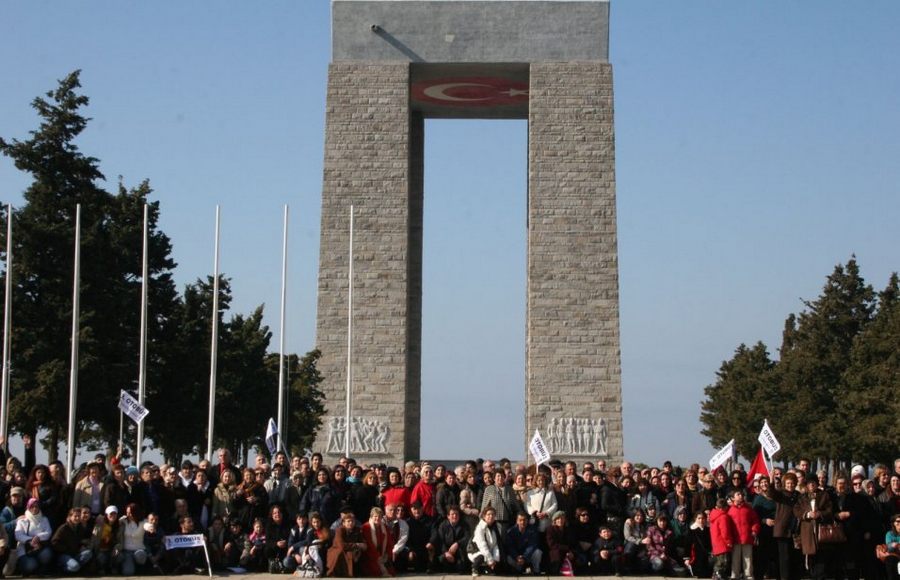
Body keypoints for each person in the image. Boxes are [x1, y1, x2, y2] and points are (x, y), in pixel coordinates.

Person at [794, 477, 832, 580]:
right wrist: (807, 514)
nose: (811, 485)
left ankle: (820, 576)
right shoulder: (802, 497)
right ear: (806, 485)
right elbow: (796, 510)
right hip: (807, 530)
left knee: (821, 555)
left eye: (813, 483)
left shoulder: (824, 495)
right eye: (809, 483)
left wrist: (820, 514)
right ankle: (812, 575)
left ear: (816, 484)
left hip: (821, 530)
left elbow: (829, 509)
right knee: (810, 555)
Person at [15, 498, 53, 576]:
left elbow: (48, 532)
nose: (35, 508)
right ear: (28, 507)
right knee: (30, 565)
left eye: (37, 506)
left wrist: (38, 537)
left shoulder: (44, 519)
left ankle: (41, 569)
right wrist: (30, 540)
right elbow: (18, 535)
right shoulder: (22, 520)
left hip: (40, 546)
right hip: (25, 549)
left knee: (47, 554)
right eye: (32, 506)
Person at [728, 489, 760, 580]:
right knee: (735, 559)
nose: (741, 496)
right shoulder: (730, 510)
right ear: (733, 498)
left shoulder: (748, 509)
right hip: (735, 539)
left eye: (741, 494)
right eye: (738, 494)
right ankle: (735, 575)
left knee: (748, 559)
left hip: (747, 537)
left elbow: (755, 521)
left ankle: (748, 576)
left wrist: (754, 530)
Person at [427, 505, 468, 574]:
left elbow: (467, 537)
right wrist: (446, 553)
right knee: (442, 561)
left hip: (458, 552)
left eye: (456, 514)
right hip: (446, 552)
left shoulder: (464, 525)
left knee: (461, 566)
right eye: (452, 514)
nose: (455, 516)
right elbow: (440, 541)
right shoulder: (443, 526)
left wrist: (457, 544)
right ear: (448, 516)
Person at [51, 507, 92, 574]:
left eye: (79, 516)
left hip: (74, 554)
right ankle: (62, 569)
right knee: (75, 566)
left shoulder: (79, 528)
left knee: (88, 553)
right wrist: (65, 548)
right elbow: (54, 542)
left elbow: (80, 541)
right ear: (70, 517)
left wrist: (82, 545)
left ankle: (75, 568)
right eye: (75, 516)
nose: (77, 518)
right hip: (64, 555)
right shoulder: (63, 528)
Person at [326, 511, 365, 577]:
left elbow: (363, 544)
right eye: (348, 521)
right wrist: (357, 545)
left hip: (352, 550)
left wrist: (362, 545)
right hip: (337, 550)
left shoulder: (357, 530)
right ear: (344, 523)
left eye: (352, 521)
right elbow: (341, 546)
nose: (351, 523)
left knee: (356, 553)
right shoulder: (339, 530)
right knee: (341, 552)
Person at [361, 506, 394, 577]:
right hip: (370, 554)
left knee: (391, 571)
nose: (377, 518)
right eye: (375, 516)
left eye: (379, 516)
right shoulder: (366, 527)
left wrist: (387, 555)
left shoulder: (384, 527)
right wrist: (377, 557)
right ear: (371, 516)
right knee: (376, 571)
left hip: (381, 553)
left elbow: (389, 542)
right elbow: (369, 545)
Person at [469, 506, 501, 577]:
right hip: (477, 551)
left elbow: (495, 545)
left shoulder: (496, 527)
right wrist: (490, 560)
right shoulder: (480, 528)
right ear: (484, 516)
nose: (491, 516)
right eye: (488, 514)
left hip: (489, 551)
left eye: (493, 514)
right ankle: (475, 568)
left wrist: (495, 559)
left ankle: (486, 569)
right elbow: (482, 545)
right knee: (481, 556)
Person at [117, 502, 147, 575]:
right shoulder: (124, 521)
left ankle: (140, 567)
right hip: (127, 551)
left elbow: (147, 525)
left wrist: (150, 527)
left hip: (139, 550)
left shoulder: (143, 522)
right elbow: (114, 522)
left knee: (140, 555)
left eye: (130, 513)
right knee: (128, 572)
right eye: (127, 512)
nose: (128, 515)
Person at [709, 498, 735, 580]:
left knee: (719, 560)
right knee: (723, 561)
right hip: (722, 543)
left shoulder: (713, 515)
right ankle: (718, 574)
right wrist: (728, 541)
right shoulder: (723, 517)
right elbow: (725, 531)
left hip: (716, 542)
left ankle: (716, 574)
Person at [546, 510, 575, 575]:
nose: (560, 520)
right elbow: (551, 544)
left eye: (562, 518)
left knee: (574, 554)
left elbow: (570, 542)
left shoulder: (567, 529)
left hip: (566, 550)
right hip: (554, 550)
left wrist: (570, 551)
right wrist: (566, 548)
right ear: (555, 520)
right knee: (557, 554)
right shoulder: (550, 529)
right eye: (558, 519)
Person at [884, 514, 900, 580]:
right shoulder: (889, 534)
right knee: (890, 559)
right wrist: (896, 545)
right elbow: (889, 547)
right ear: (893, 523)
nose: (899, 523)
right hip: (895, 556)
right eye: (898, 521)